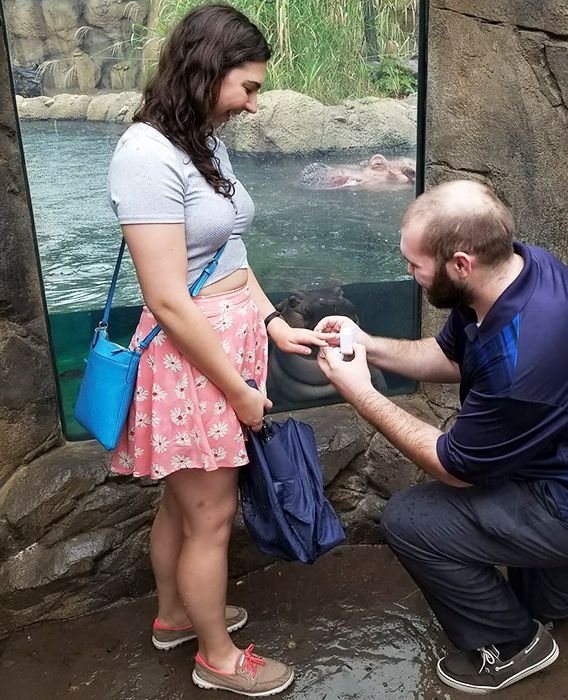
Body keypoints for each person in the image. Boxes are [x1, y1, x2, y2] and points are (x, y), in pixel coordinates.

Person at [315, 179, 568, 694]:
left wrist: (360, 394)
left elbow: (453, 468)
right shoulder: (520, 267)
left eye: (415, 264)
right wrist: (367, 344)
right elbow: (448, 355)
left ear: (460, 264)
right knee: (550, 601)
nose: (409, 274)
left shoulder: (527, 357)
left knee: (410, 518)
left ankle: (515, 646)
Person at [108, 5, 328, 695]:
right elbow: (169, 298)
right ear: (207, 72)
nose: (254, 105)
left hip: (228, 344)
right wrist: (235, 387)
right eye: (248, 87)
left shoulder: (203, 136)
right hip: (192, 359)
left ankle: (176, 615)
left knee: (183, 506)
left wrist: (269, 322)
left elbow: (229, 246)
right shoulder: (145, 154)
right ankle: (217, 658)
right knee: (210, 515)